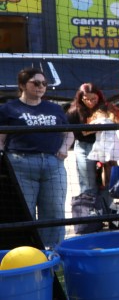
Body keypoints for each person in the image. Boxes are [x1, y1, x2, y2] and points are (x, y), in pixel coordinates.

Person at [0, 67, 72, 248]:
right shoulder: (8, 109)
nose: (41, 87)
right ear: (22, 85)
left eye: (44, 83)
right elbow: (1, 139)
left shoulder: (55, 108)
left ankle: (53, 252)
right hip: (20, 164)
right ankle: (27, 253)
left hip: (53, 164)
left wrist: (64, 148)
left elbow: (69, 133)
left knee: (55, 211)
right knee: (24, 212)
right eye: (36, 83)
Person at [66, 82, 114, 202]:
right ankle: (89, 210)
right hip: (84, 147)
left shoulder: (107, 108)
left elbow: (117, 125)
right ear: (80, 98)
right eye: (86, 99)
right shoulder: (74, 112)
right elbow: (74, 133)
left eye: (94, 99)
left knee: (107, 181)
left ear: (99, 96)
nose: (90, 102)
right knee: (88, 183)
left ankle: (106, 209)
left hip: (105, 146)